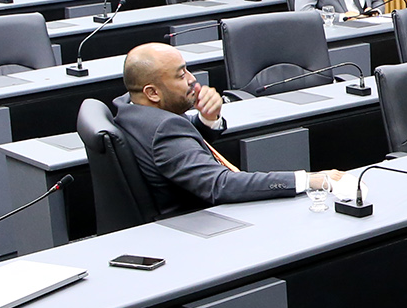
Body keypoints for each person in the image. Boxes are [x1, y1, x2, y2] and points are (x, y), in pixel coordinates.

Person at [111, 44, 345, 216]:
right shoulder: (164, 130)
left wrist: (207, 119)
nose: (192, 80)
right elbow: (219, 185)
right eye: (181, 75)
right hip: (201, 219)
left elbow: (178, 147)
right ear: (152, 92)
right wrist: (308, 180)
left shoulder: (131, 108)